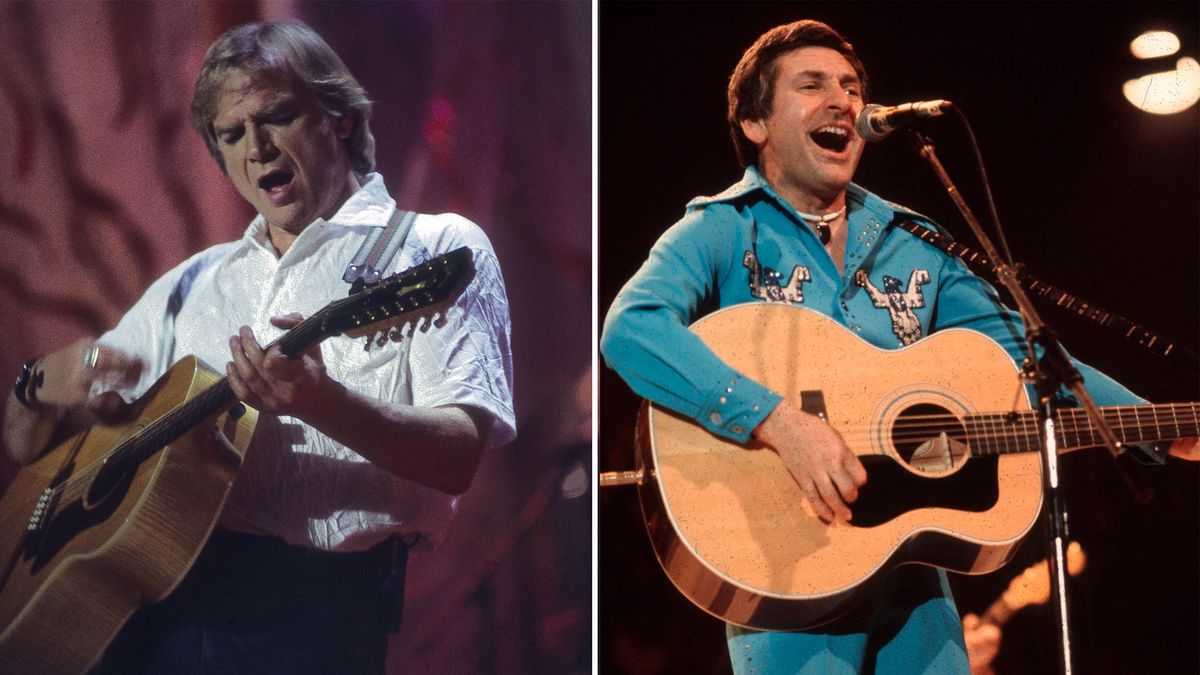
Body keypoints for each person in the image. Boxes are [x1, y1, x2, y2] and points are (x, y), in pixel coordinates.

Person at [600, 18, 1192, 674]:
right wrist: (777, 421)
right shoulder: (720, 228)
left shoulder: (916, 239)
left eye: (852, 87)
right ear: (755, 124)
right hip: (785, 563)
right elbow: (632, 327)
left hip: (910, 568)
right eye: (812, 85)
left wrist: (1171, 428)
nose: (843, 101)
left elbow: (1034, 363)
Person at [3, 21, 514, 673]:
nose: (258, 147)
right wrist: (38, 383)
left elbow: (458, 456)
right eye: (232, 134)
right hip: (143, 612)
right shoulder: (194, 282)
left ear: (339, 120)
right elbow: (28, 448)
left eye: (278, 115)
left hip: (310, 625)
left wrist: (325, 403)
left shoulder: (435, 248)